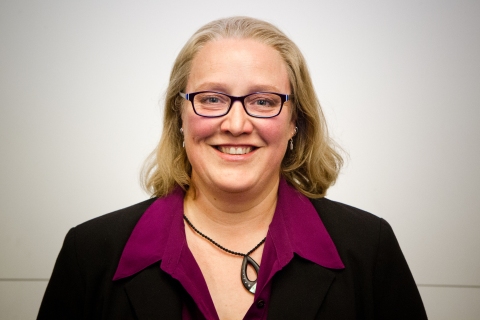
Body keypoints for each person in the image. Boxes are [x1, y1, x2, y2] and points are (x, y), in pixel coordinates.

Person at [38, 16, 427, 319]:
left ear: (295, 121)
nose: (237, 124)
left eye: (262, 101)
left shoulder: (368, 249)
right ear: (180, 115)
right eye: (211, 98)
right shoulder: (89, 253)